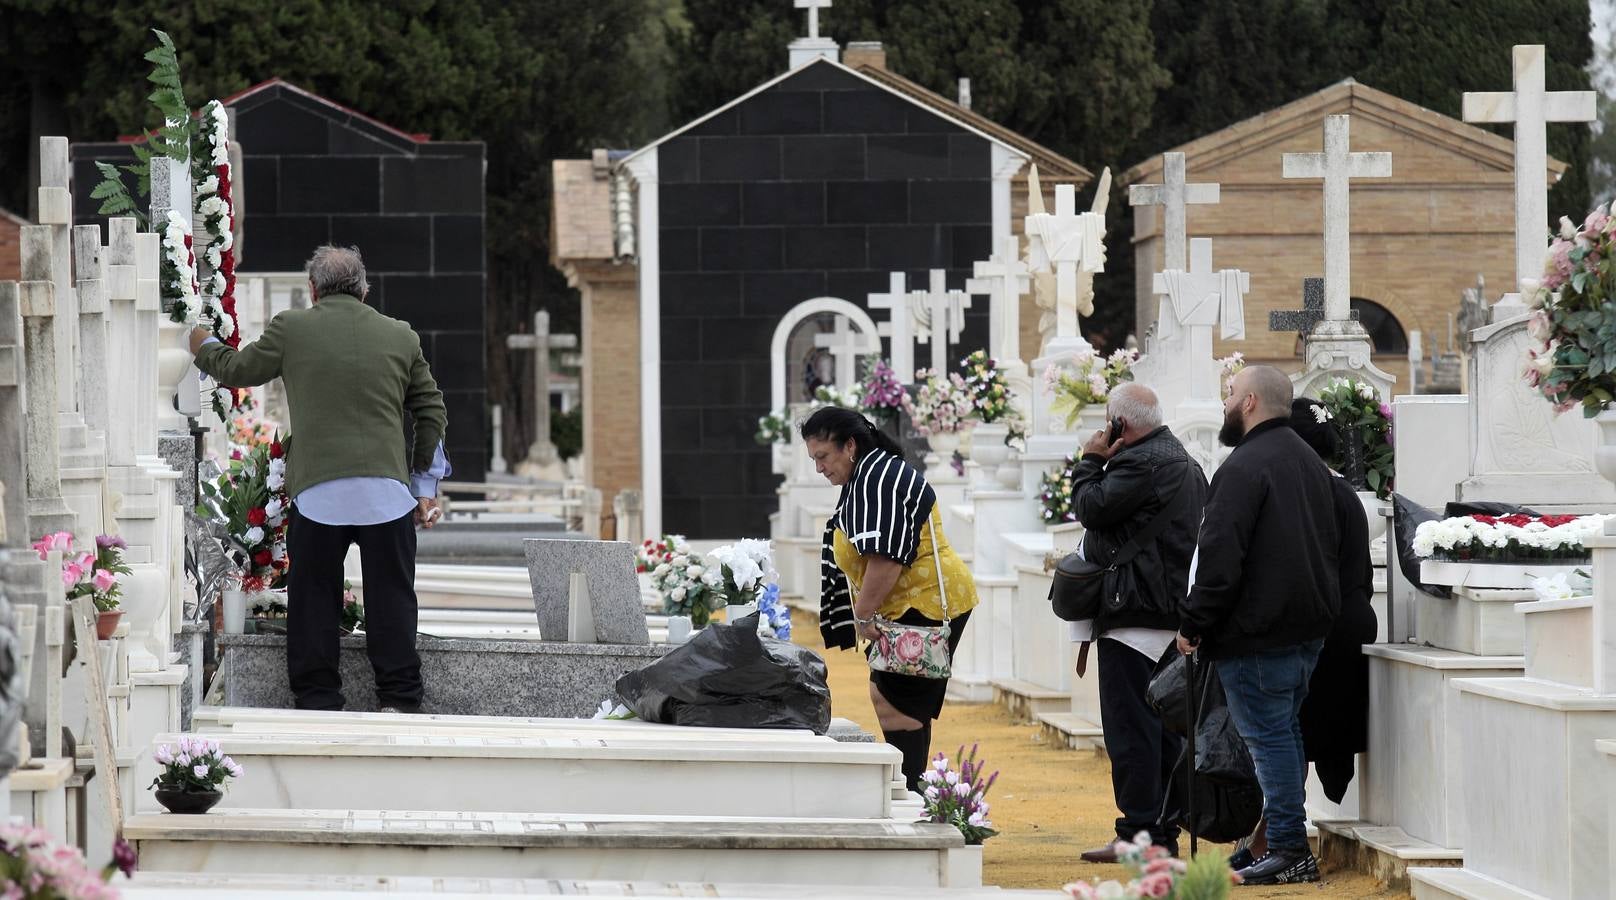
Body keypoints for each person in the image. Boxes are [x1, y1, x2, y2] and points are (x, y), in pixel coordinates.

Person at [189, 245, 450, 713]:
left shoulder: (293, 328)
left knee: (313, 597)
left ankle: (318, 697)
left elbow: (238, 369)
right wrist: (423, 486)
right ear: (365, 289)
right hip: (387, 495)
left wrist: (202, 344)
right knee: (392, 598)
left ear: (313, 290)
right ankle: (400, 699)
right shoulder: (400, 335)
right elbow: (431, 411)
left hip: (318, 493)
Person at [1176, 366, 1339, 885]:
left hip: (1257, 633)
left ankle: (1289, 848)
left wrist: (1195, 623)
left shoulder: (1244, 466)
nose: (1224, 403)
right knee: (1283, 735)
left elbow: (1221, 555)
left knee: (1269, 740)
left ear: (1248, 403)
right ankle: (1275, 843)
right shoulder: (1309, 461)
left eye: (1228, 394)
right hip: (1304, 627)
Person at [1067, 383, 1208, 862]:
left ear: (1119, 425)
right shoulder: (1187, 464)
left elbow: (1088, 506)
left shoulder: (1137, 463)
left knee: (1131, 733)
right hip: (1172, 616)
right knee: (1167, 733)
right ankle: (1161, 833)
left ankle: (1138, 835)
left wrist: (1090, 459)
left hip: (1133, 617)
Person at [805, 407, 979, 791]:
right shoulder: (868, 473)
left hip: (924, 601)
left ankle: (913, 795)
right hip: (912, 604)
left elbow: (886, 559)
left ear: (849, 445)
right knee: (895, 699)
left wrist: (862, 615)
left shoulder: (876, 478)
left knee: (897, 703)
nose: (819, 468)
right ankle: (914, 792)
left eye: (823, 456)